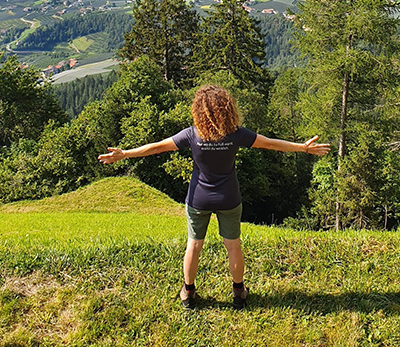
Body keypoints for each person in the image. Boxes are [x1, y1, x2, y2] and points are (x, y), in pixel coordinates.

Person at [98, 84, 330, 310]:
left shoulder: (191, 135)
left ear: (199, 110)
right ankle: (238, 292)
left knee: (194, 245)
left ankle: (188, 293)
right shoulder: (236, 135)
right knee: (233, 246)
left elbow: (157, 147)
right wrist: (302, 147)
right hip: (229, 198)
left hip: (198, 198)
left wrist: (125, 154)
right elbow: (270, 144)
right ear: (227, 109)